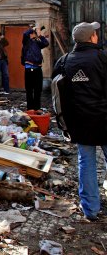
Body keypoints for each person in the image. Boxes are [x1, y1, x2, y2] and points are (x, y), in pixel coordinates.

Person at [52, 21, 107, 222]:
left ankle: (90, 210)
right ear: (92, 38)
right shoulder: (102, 59)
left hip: (80, 123)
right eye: (95, 34)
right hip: (103, 119)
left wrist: (65, 123)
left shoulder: (65, 61)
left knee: (86, 163)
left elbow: (58, 95)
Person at [21, 24, 49, 110]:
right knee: (29, 89)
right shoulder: (26, 42)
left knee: (38, 89)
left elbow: (46, 43)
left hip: (38, 68)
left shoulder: (37, 41)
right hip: (29, 68)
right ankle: (30, 108)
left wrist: (40, 34)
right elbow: (25, 34)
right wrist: (33, 29)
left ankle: (37, 108)